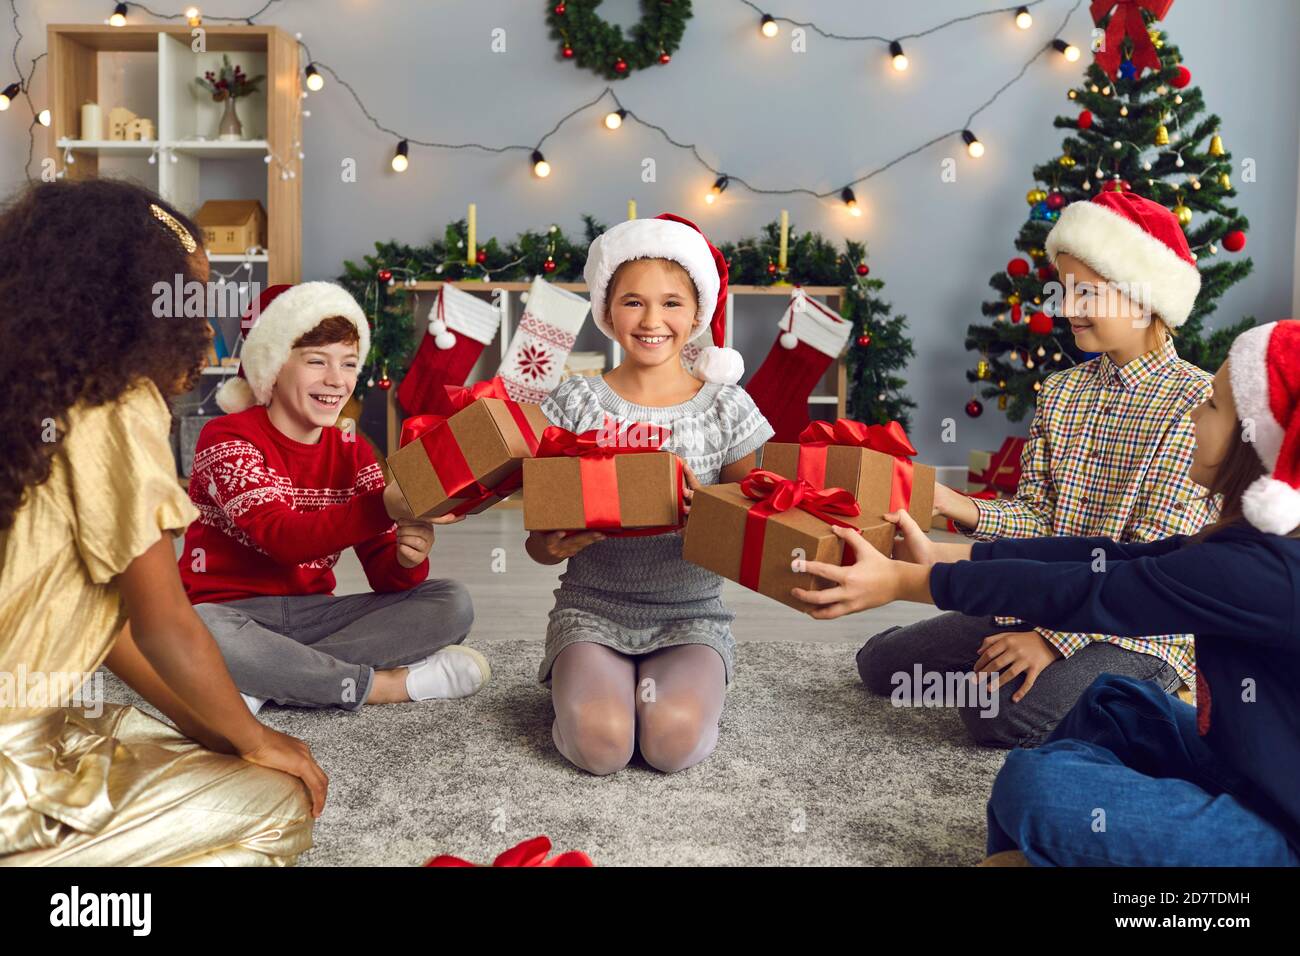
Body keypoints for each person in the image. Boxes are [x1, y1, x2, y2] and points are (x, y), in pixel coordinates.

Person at [794, 320, 1300, 866]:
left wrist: (908, 582)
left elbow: (1101, 589)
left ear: (1258, 440)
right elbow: (1102, 557)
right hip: (1246, 764)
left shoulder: (1263, 570)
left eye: (1215, 406)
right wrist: (945, 558)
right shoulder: (1249, 542)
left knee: (1035, 787)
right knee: (1113, 702)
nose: (1198, 415)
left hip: (1281, 825)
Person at [0, 179, 324, 866]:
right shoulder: (116, 409)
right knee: (277, 810)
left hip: (31, 723)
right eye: (185, 301)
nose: (202, 326)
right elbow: (164, 622)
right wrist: (258, 742)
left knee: (154, 736)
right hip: (14, 771)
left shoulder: (31, 400)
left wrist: (217, 727)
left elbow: (110, 624)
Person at [857, 191, 1218, 747]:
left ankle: (1153, 694)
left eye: (1085, 293)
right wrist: (960, 507)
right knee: (881, 665)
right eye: (1063, 289)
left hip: (1142, 630)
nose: (1064, 307)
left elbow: (1150, 565)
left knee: (998, 716)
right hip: (1042, 595)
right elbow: (1038, 517)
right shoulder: (1061, 393)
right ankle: (1021, 675)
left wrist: (1053, 641)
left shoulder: (1196, 405)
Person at [526, 214, 774, 775]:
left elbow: (753, 534)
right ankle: (589, 699)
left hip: (692, 615)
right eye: (633, 302)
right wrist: (555, 545)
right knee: (603, 747)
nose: (652, 320)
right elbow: (537, 546)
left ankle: (674, 695)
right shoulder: (574, 403)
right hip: (592, 608)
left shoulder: (725, 408)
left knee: (671, 743)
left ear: (697, 313)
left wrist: (705, 515)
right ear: (607, 311)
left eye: (671, 303)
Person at [181, 282, 489, 714]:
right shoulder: (227, 437)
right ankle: (388, 685)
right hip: (231, 614)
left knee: (450, 602)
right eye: (316, 362)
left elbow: (384, 576)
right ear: (272, 366)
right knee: (195, 627)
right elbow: (281, 538)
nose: (336, 380)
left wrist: (407, 558)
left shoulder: (353, 450)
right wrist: (383, 505)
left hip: (314, 617)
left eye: (348, 363)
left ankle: (267, 678)